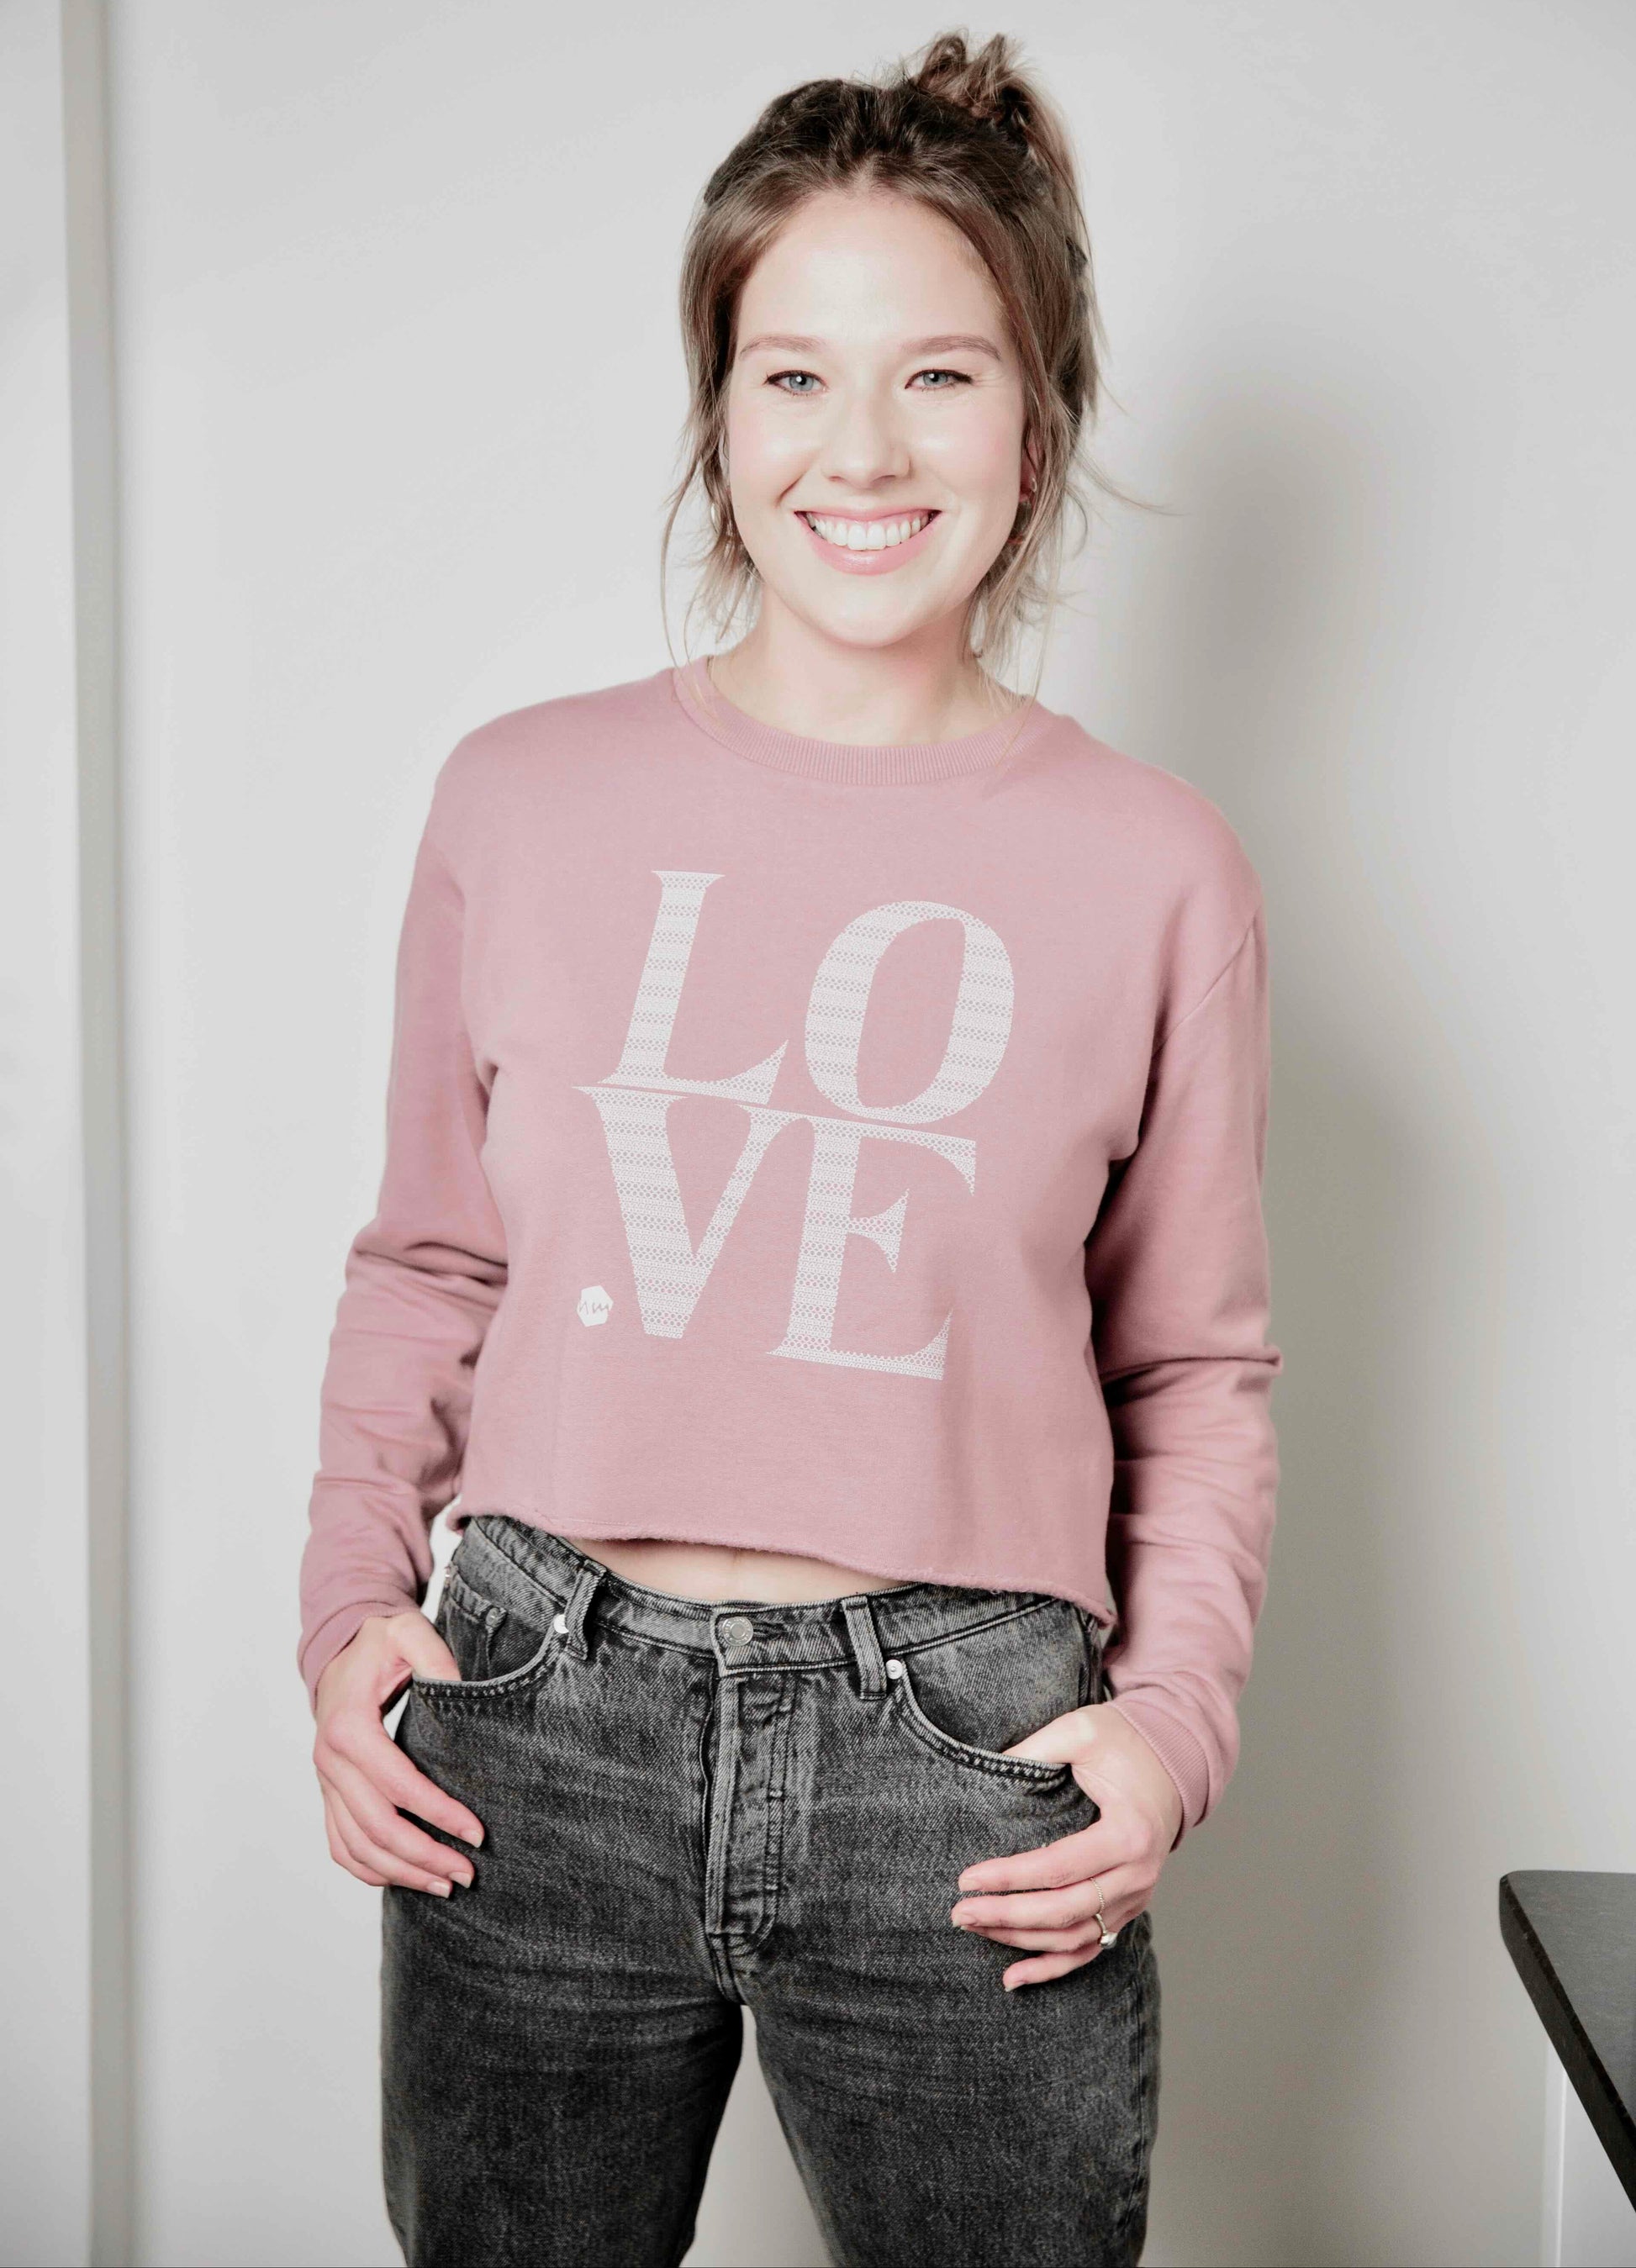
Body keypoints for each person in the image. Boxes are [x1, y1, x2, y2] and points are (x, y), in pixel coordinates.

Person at [298, 29, 1282, 2268]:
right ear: (715, 416)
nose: (861, 448)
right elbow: (427, 1260)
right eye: (790, 375)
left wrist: (1170, 1724)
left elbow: (1194, 1367)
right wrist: (345, 1603)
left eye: (938, 376)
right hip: (533, 1720)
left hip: (968, 1761)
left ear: (1039, 420)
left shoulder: (1154, 867)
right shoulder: (516, 801)